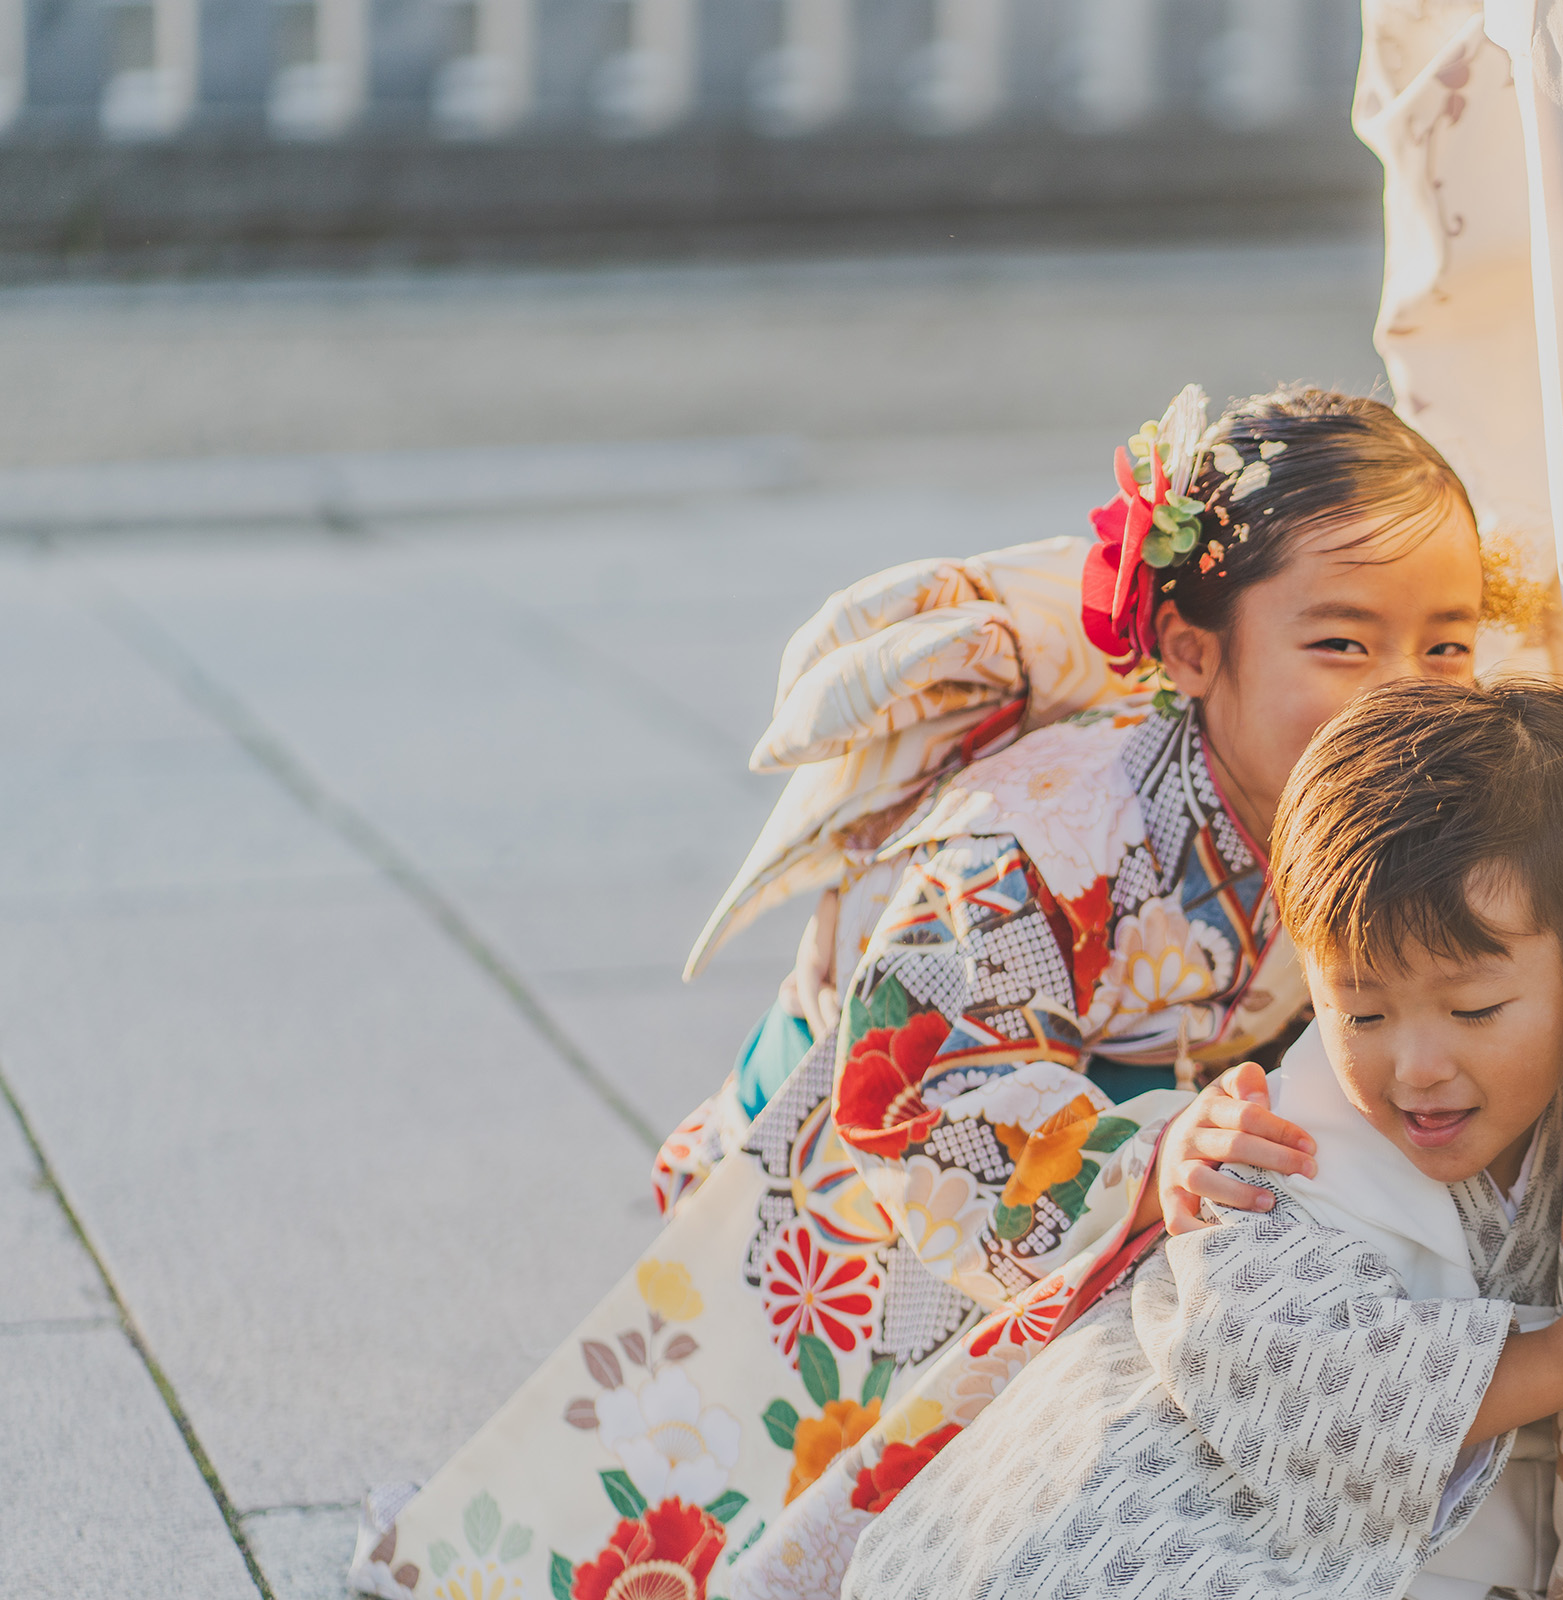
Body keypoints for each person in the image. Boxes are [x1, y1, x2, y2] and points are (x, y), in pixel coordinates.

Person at [353, 385, 1500, 1600]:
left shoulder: (1348, 813)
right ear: (1190, 650)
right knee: (733, 1487)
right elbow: (914, 1085)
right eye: (1344, 642)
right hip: (879, 1190)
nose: (1406, 687)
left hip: (1106, 1169)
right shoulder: (1051, 830)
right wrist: (1153, 1152)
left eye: (1447, 643)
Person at [830, 676, 1563, 1600]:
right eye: (1360, 1013)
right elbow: (1305, 1394)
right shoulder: (1267, 1155)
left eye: (1474, 1009)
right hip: (1125, 1536)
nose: (1416, 1067)